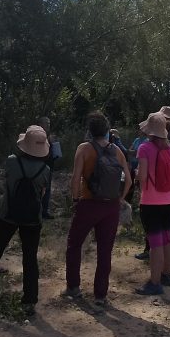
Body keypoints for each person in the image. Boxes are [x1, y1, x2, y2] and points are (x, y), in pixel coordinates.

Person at [0, 125, 52, 315]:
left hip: (7, 215)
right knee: (30, 259)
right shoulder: (46, 169)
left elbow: (7, 182)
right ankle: (29, 301)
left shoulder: (12, 161)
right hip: (32, 219)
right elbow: (42, 193)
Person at [63, 112, 132, 306]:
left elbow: (76, 178)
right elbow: (128, 180)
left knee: (74, 245)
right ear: (107, 131)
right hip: (110, 206)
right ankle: (100, 295)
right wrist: (120, 199)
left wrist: (76, 199)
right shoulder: (117, 150)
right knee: (105, 250)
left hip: (88, 203)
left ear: (90, 131)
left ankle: (74, 287)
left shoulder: (84, 148)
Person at [133, 112, 170, 296]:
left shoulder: (145, 148)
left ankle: (154, 283)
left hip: (151, 202)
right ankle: (166, 275)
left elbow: (143, 176)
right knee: (167, 237)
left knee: (155, 244)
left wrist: (137, 174)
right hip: (169, 201)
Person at [38, 117, 61, 219]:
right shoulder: (37, 136)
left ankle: (44, 212)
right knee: (39, 190)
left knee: (47, 190)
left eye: (49, 123)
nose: (48, 125)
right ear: (40, 124)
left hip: (49, 166)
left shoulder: (49, 136)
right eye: (46, 123)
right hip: (39, 167)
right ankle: (37, 212)